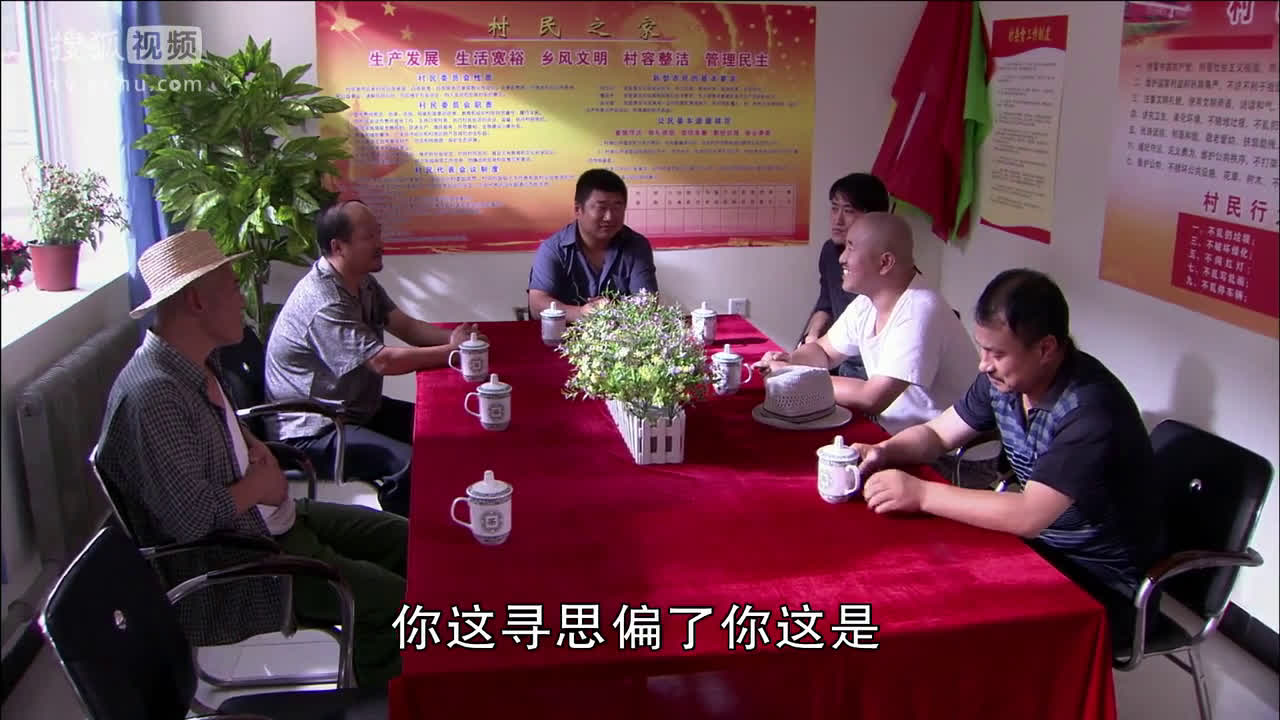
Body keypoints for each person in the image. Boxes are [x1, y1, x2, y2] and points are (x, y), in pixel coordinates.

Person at [97, 229, 408, 689]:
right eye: (231, 288)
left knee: (408, 542)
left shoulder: (196, 362)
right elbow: (189, 520)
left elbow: (220, 434)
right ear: (197, 302)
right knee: (400, 604)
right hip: (242, 560)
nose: (242, 299)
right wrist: (258, 486)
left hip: (274, 521)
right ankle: (379, 702)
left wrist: (251, 447)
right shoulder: (153, 396)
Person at [854, 269, 1161, 604]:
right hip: (1042, 546)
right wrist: (885, 451)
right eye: (982, 349)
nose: (984, 365)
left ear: (1045, 349)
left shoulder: (1089, 410)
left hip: (1099, 577)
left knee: (954, 600)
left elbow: (1029, 515)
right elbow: (937, 434)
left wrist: (921, 493)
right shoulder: (1003, 381)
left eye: (997, 354)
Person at [264, 200, 478, 517]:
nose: (380, 243)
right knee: (408, 463)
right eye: (369, 237)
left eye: (378, 233)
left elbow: (406, 326)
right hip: (315, 430)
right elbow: (382, 362)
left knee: (444, 427)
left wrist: (458, 339)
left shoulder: (360, 280)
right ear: (338, 247)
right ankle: (405, 534)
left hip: (355, 409)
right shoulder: (323, 301)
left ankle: (447, 513)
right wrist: (452, 352)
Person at [754, 212, 975, 437]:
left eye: (851, 248)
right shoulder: (867, 302)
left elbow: (871, 398)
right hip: (900, 435)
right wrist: (791, 360)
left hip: (945, 450)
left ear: (885, 262)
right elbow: (823, 351)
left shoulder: (919, 310)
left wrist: (794, 377)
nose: (842, 258)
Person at [527, 168, 658, 322]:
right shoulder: (553, 249)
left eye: (617, 207)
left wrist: (612, 311)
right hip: (566, 333)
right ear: (578, 209)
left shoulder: (637, 246)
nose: (609, 217)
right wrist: (582, 313)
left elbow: (648, 303)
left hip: (621, 332)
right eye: (601, 208)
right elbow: (537, 305)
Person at [797, 173, 891, 380]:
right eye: (834, 208)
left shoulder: (886, 266)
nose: (837, 220)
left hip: (875, 369)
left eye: (848, 211)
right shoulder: (830, 251)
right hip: (841, 359)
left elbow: (873, 392)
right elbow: (826, 303)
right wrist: (812, 337)